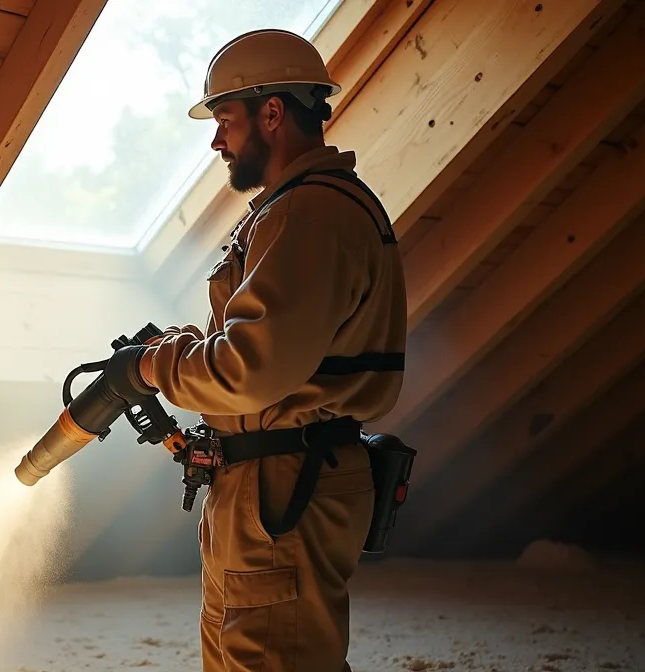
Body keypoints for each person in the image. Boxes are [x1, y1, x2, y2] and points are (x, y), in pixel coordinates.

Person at [122, 29, 408, 671]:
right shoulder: (294, 210)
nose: (217, 140)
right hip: (266, 480)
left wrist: (152, 365)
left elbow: (248, 370)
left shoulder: (310, 214)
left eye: (224, 118)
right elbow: (261, 345)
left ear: (272, 113)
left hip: (285, 486)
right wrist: (175, 348)